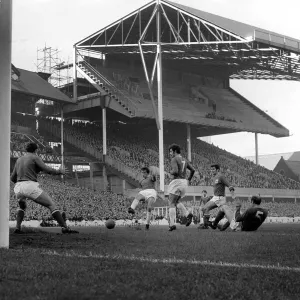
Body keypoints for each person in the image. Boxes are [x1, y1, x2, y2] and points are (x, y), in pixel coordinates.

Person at [10, 142, 78, 234]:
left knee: (22, 206)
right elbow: (46, 169)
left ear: (26, 150)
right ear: (36, 150)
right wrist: (59, 172)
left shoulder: (19, 160)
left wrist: (21, 184)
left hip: (18, 187)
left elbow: (12, 178)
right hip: (29, 185)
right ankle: (65, 227)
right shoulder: (35, 157)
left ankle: (17, 228)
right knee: (51, 205)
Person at [167, 144, 195, 232]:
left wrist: (170, 172)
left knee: (171, 202)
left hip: (177, 182)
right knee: (176, 201)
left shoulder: (174, 159)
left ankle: (172, 225)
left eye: (171, 151)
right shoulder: (184, 160)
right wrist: (189, 180)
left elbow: (175, 171)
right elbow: (193, 170)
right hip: (184, 182)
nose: (170, 153)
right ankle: (187, 214)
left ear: (175, 151)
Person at [199, 164, 236, 230]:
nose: (212, 170)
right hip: (215, 197)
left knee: (206, 208)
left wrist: (232, 192)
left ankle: (206, 225)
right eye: (211, 169)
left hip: (220, 198)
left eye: (213, 169)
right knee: (204, 208)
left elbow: (228, 184)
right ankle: (211, 224)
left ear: (218, 170)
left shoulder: (221, 176)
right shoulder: (214, 177)